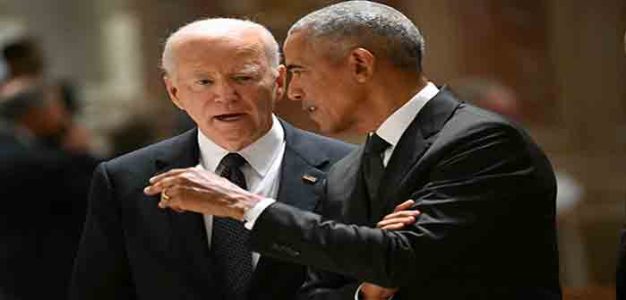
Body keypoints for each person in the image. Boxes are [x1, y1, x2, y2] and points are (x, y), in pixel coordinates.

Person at [146, 2, 561, 299]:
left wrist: (244, 205)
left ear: (360, 65)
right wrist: (366, 289)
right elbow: (318, 290)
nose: (291, 91)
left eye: (300, 71)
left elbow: (401, 258)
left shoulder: (482, 141)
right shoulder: (347, 170)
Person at [69, 18, 355, 300]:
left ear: (278, 82)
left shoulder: (349, 167)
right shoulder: (126, 178)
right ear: (175, 92)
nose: (225, 95)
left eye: (243, 78)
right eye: (204, 82)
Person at [0, 80, 97, 299]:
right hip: (35, 269)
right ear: (35, 113)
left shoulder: (39, 146)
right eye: (55, 107)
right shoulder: (21, 156)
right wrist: (81, 151)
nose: (63, 115)